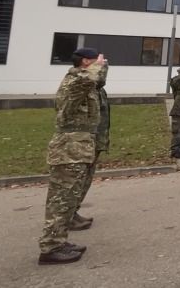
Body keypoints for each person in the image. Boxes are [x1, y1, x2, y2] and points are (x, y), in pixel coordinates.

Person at [38, 48, 105, 265]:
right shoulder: (75, 80)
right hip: (69, 150)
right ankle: (50, 247)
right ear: (86, 62)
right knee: (60, 200)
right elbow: (90, 78)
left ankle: (59, 240)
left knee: (68, 199)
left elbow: (97, 81)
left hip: (78, 149)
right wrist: (98, 66)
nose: (101, 65)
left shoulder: (84, 81)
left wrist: (102, 68)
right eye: (96, 61)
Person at [71, 59, 111, 231]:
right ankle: (67, 216)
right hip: (83, 142)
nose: (101, 71)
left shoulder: (98, 89)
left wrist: (102, 67)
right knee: (76, 181)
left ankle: (73, 212)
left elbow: (98, 80)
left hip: (95, 140)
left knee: (85, 180)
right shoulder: (80, 85)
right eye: (99, 68)